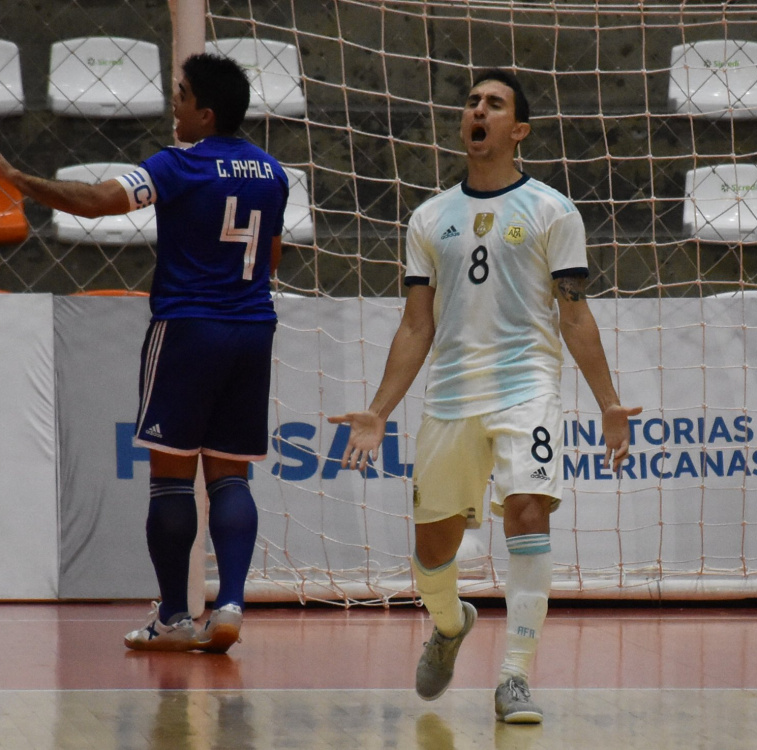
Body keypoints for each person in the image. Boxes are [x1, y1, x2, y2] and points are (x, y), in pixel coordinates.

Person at [329, 69, 639, 723]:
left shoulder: (553, 210)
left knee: (528, 510)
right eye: (472, 102)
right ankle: (449, 624)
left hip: (527, 386)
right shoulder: (429, 217)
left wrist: (608, 401)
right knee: (433, 551)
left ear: (517, 130)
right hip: (449, 397)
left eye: (494, 103)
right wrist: (379, 411)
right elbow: (417, 324)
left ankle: (515, 678)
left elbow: (575, 315)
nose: (478, 109)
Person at [0, 53, 288, 653]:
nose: (173, 103)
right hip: (253, 327)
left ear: (205, 114)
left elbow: (100, 200)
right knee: (232, 475)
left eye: (181, 96)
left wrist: (20, 180)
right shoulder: (274, 173)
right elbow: (273, 259)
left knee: (172, 479)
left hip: (185, 328)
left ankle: (175, 617)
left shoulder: (177, 165)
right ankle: (230, 602)